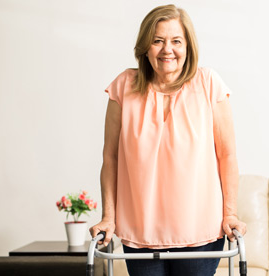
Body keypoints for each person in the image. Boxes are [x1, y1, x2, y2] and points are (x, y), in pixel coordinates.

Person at [89, 4, 246, 276]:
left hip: (201, 233)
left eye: (176, 41)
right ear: (145, 46)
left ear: (188, 47)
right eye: (157, 41)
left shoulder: (208, 84)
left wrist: (230, 213)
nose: (167, 50)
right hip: (140, 233)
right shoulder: (124, 87)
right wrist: (108, 217)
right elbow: (110, 157)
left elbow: (227, 155)